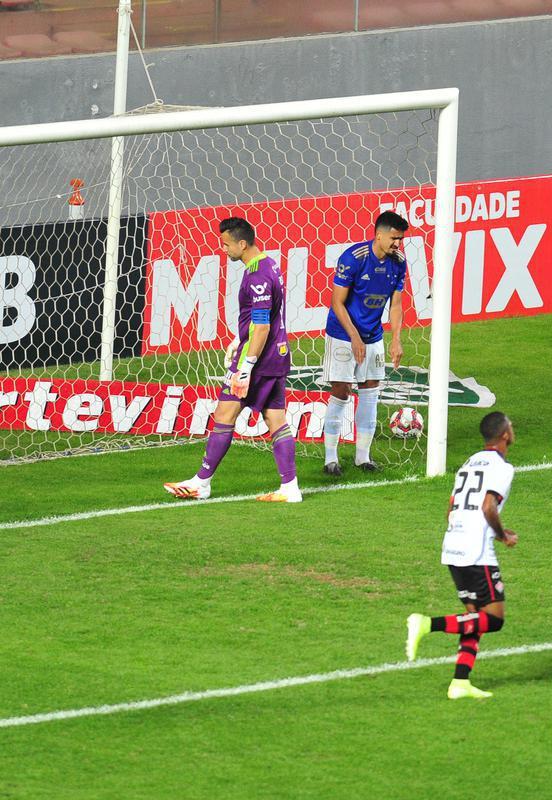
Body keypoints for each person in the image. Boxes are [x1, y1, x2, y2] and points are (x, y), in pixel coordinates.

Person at [164, 217, 301, 502]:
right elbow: (264, 320)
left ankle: (202, 483)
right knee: (275, 417)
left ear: (242, 243)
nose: (223, 250)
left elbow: (262, 326)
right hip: (277, 354)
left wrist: (246, 366)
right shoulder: (268, 264)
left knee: (224, 415)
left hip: (259, 360)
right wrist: (240, 339)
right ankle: (290, 488)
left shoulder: (257, 277)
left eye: (226, 244)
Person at [405, 411, 518, 700]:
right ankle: (427, 623)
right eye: (511, 427)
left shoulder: (468, 464)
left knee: (473, 618)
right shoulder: (502, 468)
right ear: (505, 434)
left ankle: (460, 682)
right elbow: (488, 508)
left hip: (453, 544)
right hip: (476, 552)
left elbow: (450, 509)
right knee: (493, 619)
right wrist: (503, 536)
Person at [321, 211, 409, 476]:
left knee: (370, 391)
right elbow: (337, 302)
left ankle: (363, 457)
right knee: (342, 391)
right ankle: (330, 459)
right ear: (379, 235)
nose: (397, 244)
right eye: (394, 238)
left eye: (401, 239)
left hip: (373, 336)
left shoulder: (399, 262)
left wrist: (396, 339)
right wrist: (354, 337)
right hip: (342, 335)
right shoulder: (353, 258)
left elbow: (396, 304)